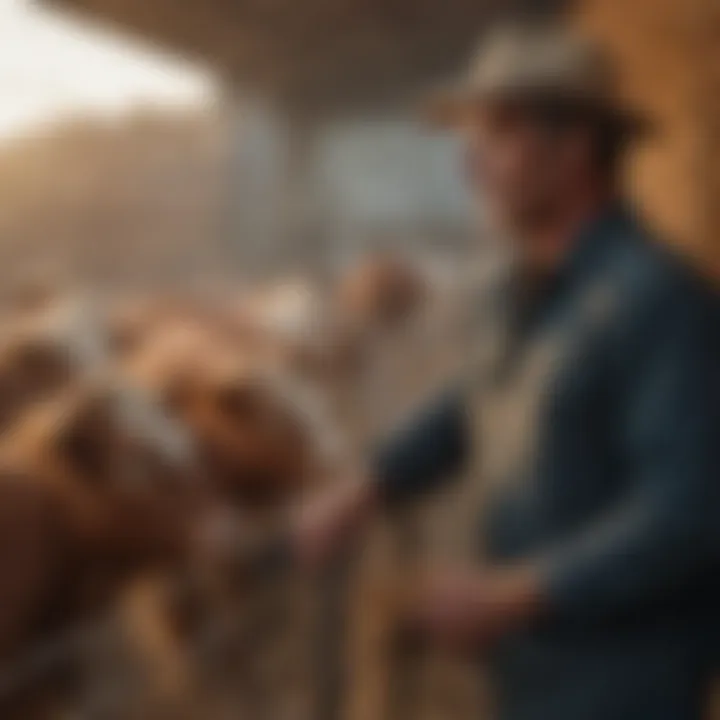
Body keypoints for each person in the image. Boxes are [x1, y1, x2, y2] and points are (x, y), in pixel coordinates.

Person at [292, 23, 720, 720]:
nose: (470, 161)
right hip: (532, 672)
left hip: (624, 684)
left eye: (496, 131)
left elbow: (690, 511)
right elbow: (476, 398)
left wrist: (511, 594)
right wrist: (368, 483)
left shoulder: (661, 304)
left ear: (575, 147)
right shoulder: (515, 288)